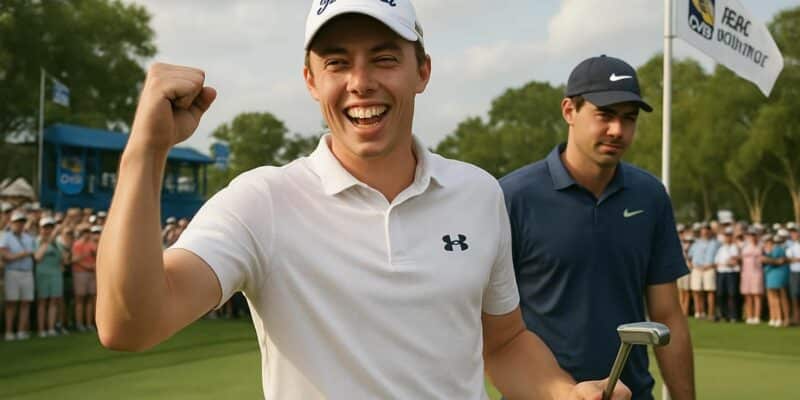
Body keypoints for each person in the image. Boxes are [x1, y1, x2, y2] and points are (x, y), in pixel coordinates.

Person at [95, 2, 630, 399]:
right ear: (310, 80)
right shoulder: (262, 201)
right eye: (337, 62)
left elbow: (505, 342)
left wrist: (563, 393)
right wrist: (145, 151)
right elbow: (130, 324)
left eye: (384, 58)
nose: (360, 82)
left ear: (422, 71)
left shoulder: (477, 192)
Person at [499, 55, 695, 399]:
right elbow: (495, 329)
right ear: (569, 111)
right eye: (605, 115)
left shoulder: (650, 195)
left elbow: (667, 315)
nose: (618, 130)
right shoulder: (512, 196)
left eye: (629, 118)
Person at [1, 211, 37, 341]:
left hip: (27, 272)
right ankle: (9, 332)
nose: (20, 224)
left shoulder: (28, 238)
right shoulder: (5, 237)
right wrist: (22, 255)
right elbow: (5, 255)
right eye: (17, 222)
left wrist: (22, 255)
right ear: (12, 223)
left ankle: (21, 331)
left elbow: (34, 253)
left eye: (22, 222)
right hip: (12, 271)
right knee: (11, 303)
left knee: (25, 302)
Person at [34, 216, 66, 337]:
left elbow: (64, 260)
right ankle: (41, 329)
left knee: (53, 301)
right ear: (40, 229)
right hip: (42, 274)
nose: (47, 230)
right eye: (45, 227)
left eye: (50, 228)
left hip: (56, 274)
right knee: (42, 302)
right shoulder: (36, 241)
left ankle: (51, 328)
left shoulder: (57, 243)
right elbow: (38, 257)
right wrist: (50, 240)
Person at [688, 224, 718, 320]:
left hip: (709, 268)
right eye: (703, 230)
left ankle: (711, 313)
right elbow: (689, 257)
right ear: (701, 231)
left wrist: (712, 265)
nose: (705, 232)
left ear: (710, 231)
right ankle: (699, 312)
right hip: (697, 268)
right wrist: (693, 265)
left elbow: (720, 256)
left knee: (710, 291)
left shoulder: (716, 243)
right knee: (696, 290)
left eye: (706, 229)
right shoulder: (696, 243)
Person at [71, 226, 97, 332]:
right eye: (84, 232)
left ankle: (89, 323)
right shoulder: (77, 244)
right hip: (80, 273)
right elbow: (74, 260)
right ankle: (79, 323)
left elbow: (96, 257)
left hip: (91, 273)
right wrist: (88, 266)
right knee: (80, 299)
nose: (87, 234)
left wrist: (92, 266)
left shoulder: (92, 244)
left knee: (90, 298)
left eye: (88, 232)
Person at [763, 236, 790, 327]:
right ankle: (773, 317)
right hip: (770, 274)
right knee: (771, 297)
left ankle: (779, 318)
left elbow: (778, 261)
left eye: (769, 242)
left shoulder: (777, 249)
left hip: (778, 274)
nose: (767, 244)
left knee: (777, 296)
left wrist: (766, 259)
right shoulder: (769, 251)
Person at [714, 227, 740, 322]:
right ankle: (723, 314)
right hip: (721, 273)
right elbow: (717, 262)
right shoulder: (721, 248)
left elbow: (734, 261)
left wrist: (728, 262)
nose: (727, 238)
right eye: (726, 236)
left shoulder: (734, 247)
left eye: (729, 236)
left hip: (731, 273)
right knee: (721, 294)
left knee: (732, 294)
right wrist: (727, 263)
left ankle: (733, 315)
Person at [740, 228, 764, 324]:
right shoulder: (745, 246)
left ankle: (757, 316)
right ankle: (749, 316)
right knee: (748, 295)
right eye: (751, 235)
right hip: (746, 273)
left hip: (757, 273)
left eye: (754, 235)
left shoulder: (761, 246)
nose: (752, 237)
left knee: (757, 295)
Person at [786, 226, 800, 325]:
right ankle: (796, 317)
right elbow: (788, 258)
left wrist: (795, 259)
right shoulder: (791, 246)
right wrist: (794, 259)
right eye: (792, 233)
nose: (794, 235)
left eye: (795, 232)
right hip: (794, 272)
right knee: (794, 295)